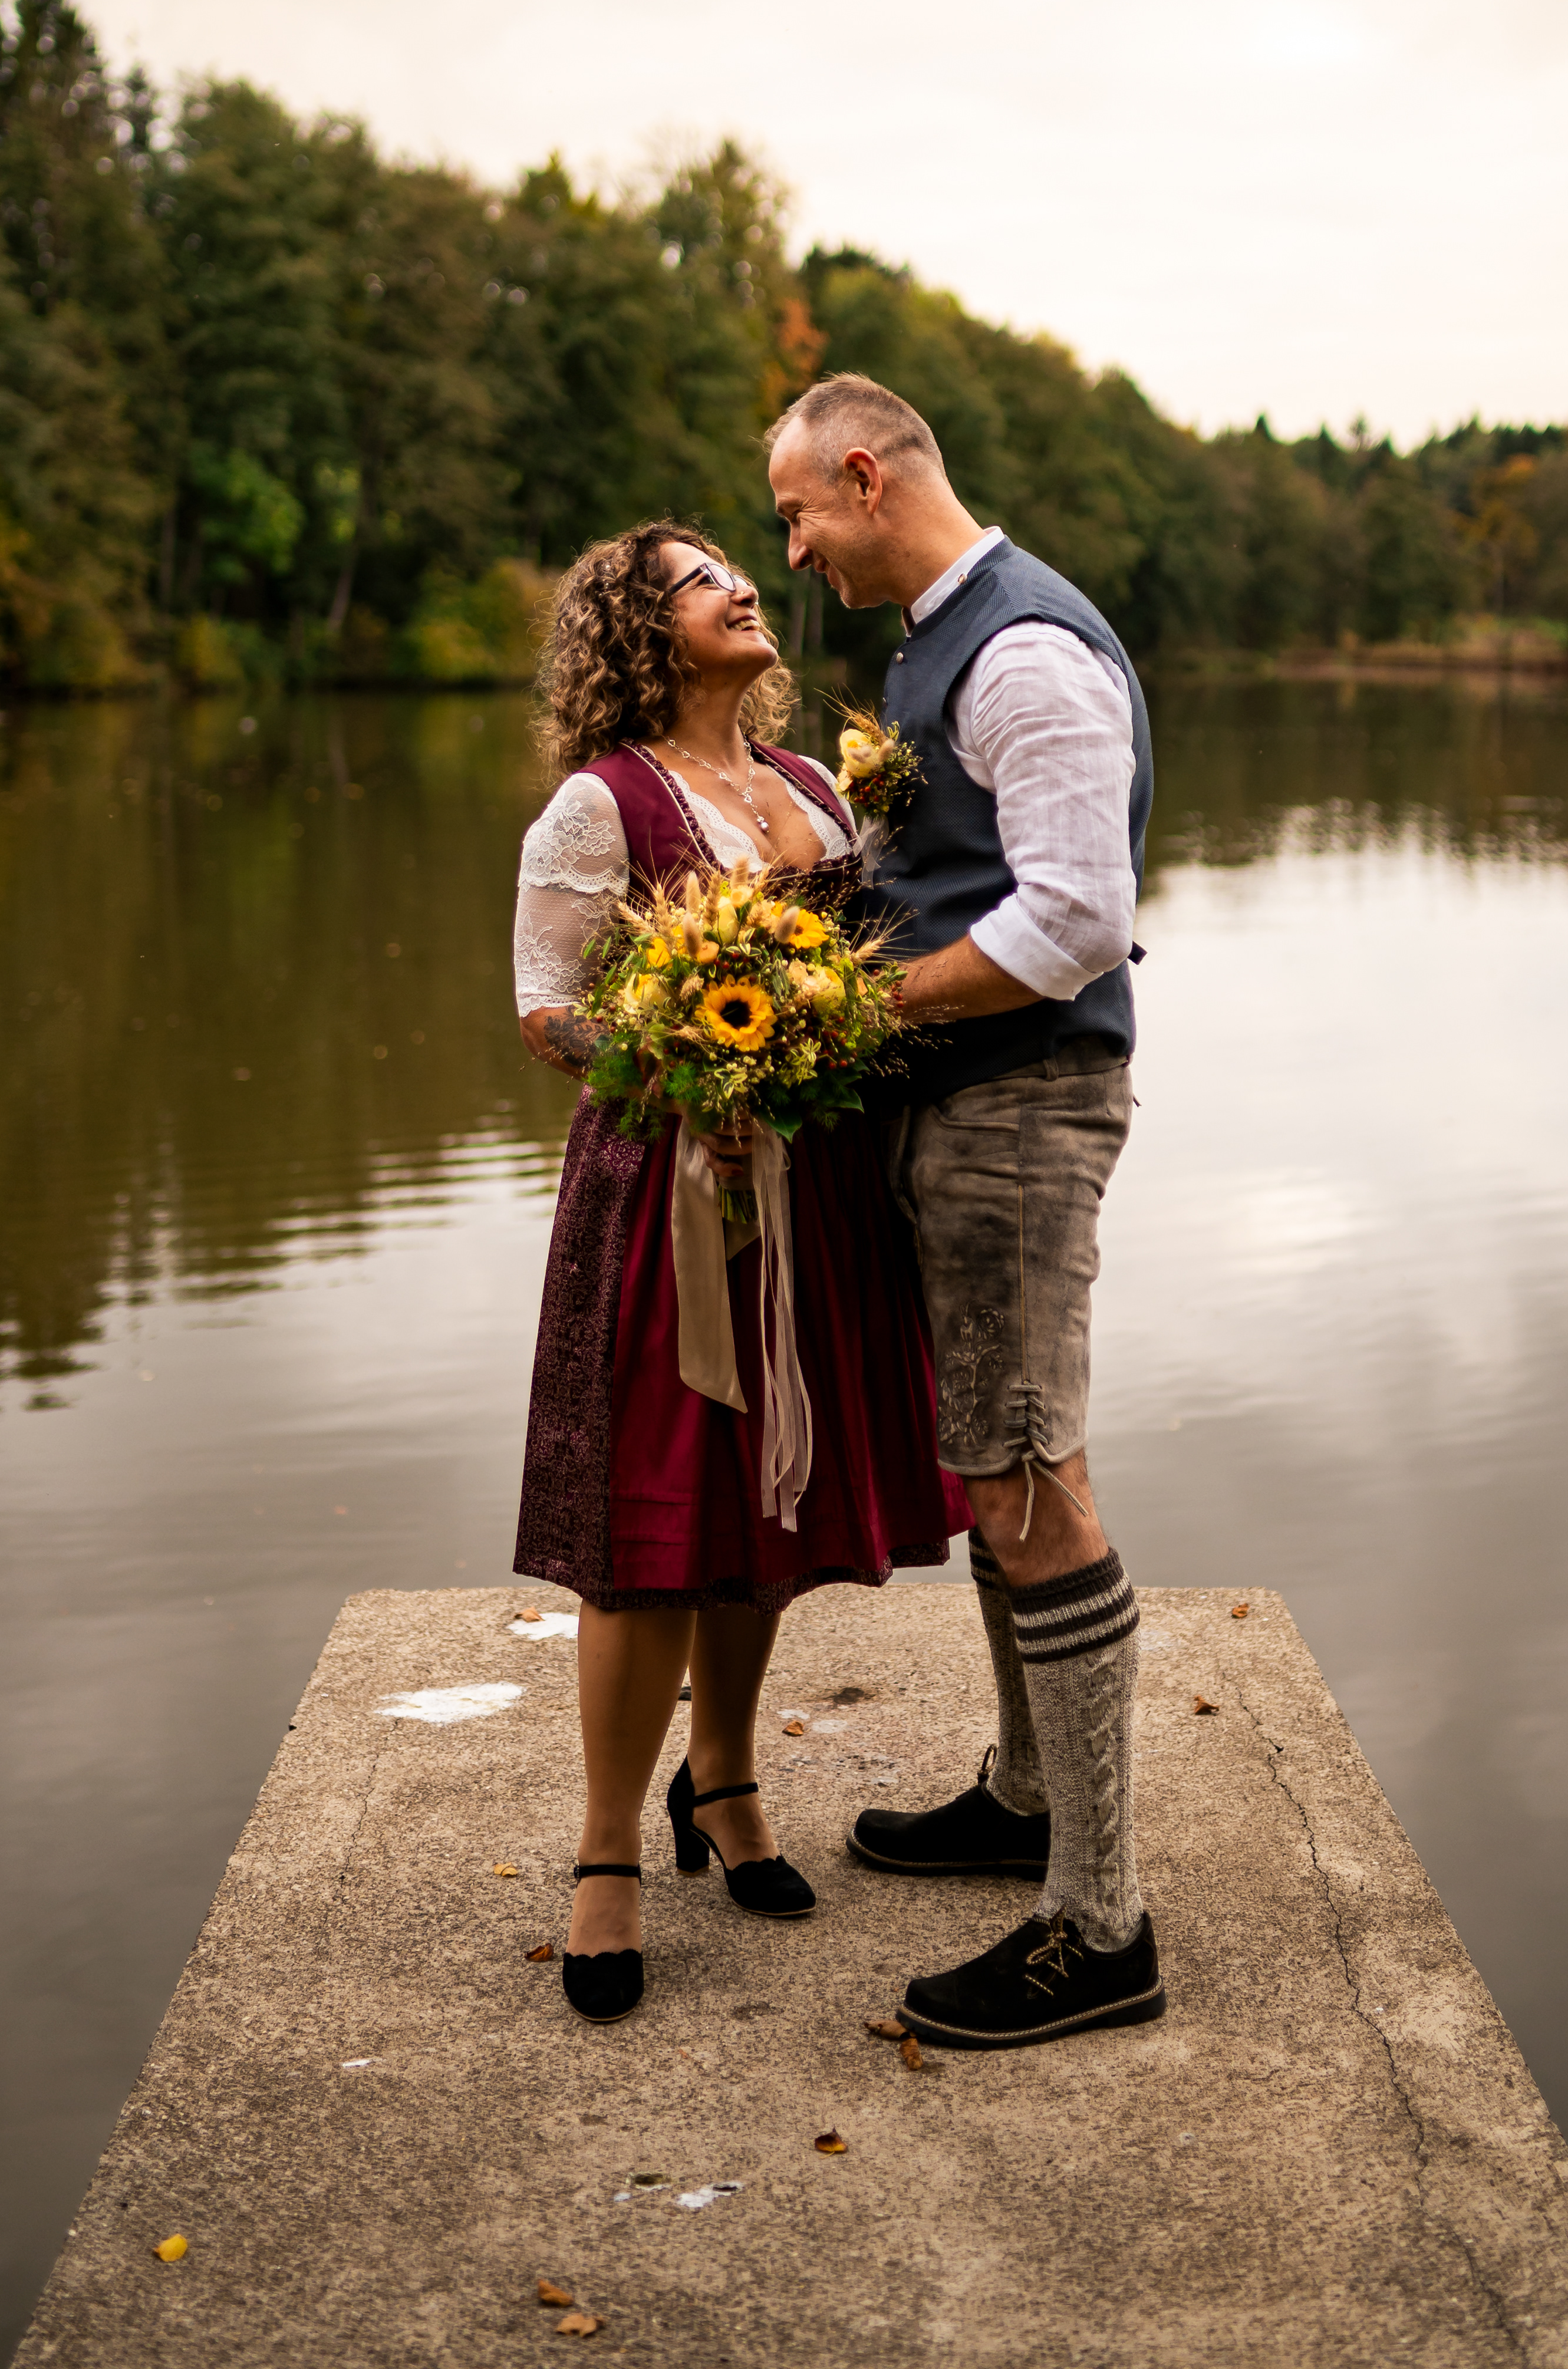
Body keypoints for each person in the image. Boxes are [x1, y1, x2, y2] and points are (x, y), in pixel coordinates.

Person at [511, 519, 969, 2025]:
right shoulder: (602, 804)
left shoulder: (816, 790)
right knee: (647, 1523)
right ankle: (602, 1858)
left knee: (760, 1504)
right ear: (641, 626)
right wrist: (681, 1071)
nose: (744, 588)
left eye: (745, 569)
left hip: (815, 1195)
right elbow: (546, 1010)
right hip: (673, 1195)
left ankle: (723, 1780)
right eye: (706, 575)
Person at [766, 374, 1161, 2050]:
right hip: (967, 1112)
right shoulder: (936, 641)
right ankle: (1021, 1799)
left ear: (868, 475)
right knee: (993, 1464)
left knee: (1026, 1471)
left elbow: (1074, 920)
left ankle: (1099, 1925)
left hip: (1022, 1112)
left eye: (797, 512)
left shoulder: (1021, 651)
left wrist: (866, 1010)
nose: (792, 549)